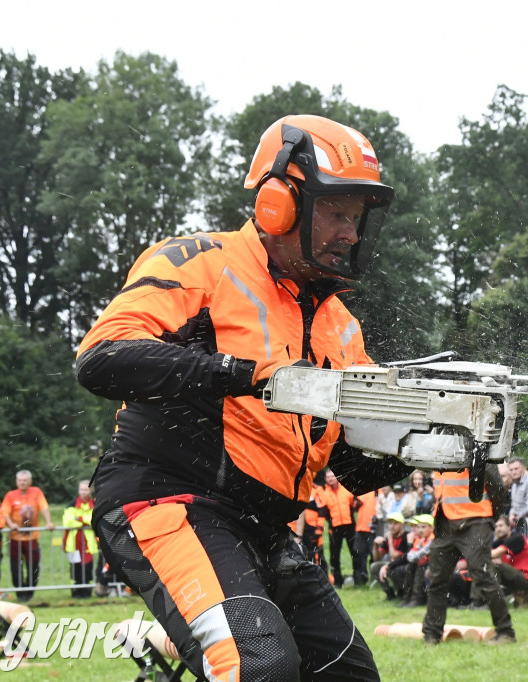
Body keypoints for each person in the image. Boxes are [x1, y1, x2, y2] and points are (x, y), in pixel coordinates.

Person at [75, 114, 412, 680]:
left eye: (356, 219)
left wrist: (426, 443)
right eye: (336, 213)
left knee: (347, 674)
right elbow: (102, 357)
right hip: (168, 498)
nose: (350, 234)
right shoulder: (200, 261)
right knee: (258, 664)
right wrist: (243, 373)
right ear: (278, 203)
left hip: (262, 524)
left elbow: (353, 466)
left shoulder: (339, 325)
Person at [422, 467, 515, 645]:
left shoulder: (476, 444)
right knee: (437, 579)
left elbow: (496, 487)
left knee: (481, 573)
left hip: (476, 520)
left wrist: (490, 518)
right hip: (444, 520)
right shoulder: (435, 447)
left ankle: (506, 631)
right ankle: (432, 634)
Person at [2, 470, 53, 602]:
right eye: (20, 480)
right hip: (15, 537)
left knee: (33, 565)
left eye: (25, 480)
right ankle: (20, 591)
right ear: (16, 482)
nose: (22, 482)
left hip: (32, 538)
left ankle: (29, 591)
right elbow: (5, 512)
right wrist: (11, 523)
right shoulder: (10, 495)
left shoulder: (36, 492)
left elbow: (44, 507)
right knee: (15, 566)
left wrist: (48, 522)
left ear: (30, 482)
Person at [320, 469, 361, 587]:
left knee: (355, 552)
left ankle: (358, 580)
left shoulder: (346, 489)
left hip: (349, 525)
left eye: (333, 476)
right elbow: (323, 512)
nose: (331, 479)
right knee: (335, 556)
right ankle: (338, 581)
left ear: (337, 477)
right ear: (325, 480)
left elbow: (355, 504)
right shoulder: (324, 493)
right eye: (328, 477)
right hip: (335, 528)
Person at [490, 515, 528, 606]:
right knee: (487, 566)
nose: (498, 529)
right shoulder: (500, 541)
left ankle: (491, 602)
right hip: (515, 576)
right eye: (496, 527)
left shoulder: (517, 538)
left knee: (495, 565)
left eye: (501, 526)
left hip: (526, 578)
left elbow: (491, 554)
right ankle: (486, 600)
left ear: (509, 527)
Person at [62, 480, 98, 598]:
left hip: (88, 542)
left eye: (86, 489)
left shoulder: (95, 504)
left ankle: (86, 592)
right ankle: (76, 592)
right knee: (75, 567)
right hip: (74, 542)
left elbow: (94, 520)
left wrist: (79, 518)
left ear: (90, 490)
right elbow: (67, 522)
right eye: (81, 489)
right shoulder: (71, 504)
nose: (83, 492)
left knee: (87, 567)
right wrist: (84, 522)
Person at [371, 512, 410, 601]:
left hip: (403, 565)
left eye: (395, 523)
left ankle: (401, 590)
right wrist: (376, 545)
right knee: (374, 567)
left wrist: (390, 539)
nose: (392, 526)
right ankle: (389, 593)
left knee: (392, 568)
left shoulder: (406, 537)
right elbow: (377, 559)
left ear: (402, 525)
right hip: (393, 564)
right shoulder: (389, 537)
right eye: (390, 523)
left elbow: (395, 556)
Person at [507, 457, 528, 531]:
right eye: (511, 470)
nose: (513, 472)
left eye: (516, 469)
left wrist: (519, 516)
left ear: (523, 468)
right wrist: (511, 515)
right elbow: (514, 503)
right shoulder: (514, 483)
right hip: (517, 522)